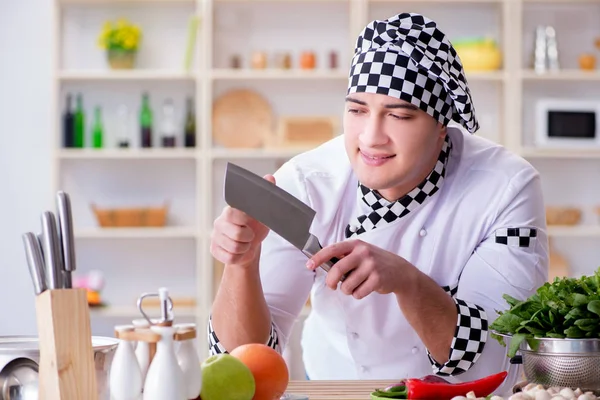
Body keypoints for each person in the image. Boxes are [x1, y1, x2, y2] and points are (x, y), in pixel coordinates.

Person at [207, 12, 549, 391]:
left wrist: (407, 281)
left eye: (399, 115)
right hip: (337, 388)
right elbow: (246, 364)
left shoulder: (505, 188)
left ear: (441, 127)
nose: (370, 138)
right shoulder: (307, 183)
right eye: (356, 110)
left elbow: (496, 355)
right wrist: (242, 263)